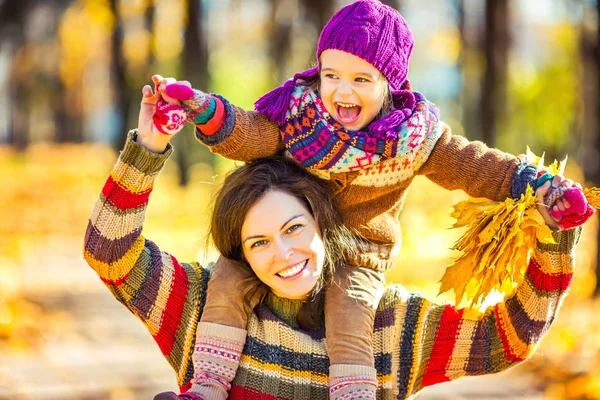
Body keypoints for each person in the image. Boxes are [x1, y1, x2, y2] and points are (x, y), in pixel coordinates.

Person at [153, 0, 594, 398]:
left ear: (390, 82)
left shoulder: (414, 138)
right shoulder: (299, 115)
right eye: (331, 76)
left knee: (350, 316)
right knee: (228, 279)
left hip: (359, 256)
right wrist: (202, 107)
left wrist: (543, 188)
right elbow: (252, 134)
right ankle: (207, 386)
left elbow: (477, 165)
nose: (342, 92)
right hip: (288, 235)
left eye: (361, 79)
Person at [83, 80, 585, 400]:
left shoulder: (388, 330)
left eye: (293, 229)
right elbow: (109, 251)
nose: (282, 254)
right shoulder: (201, 305)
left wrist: (553, 237)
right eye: (257, 243)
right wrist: (148, 147)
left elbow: (508, 339)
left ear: (323, 222)